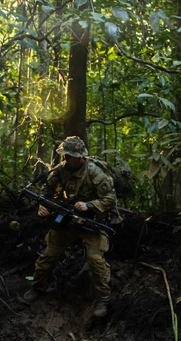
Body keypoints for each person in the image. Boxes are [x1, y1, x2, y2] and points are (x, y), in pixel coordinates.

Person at [24, 136, 117, 318]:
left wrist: (89, 205)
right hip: (68, 219)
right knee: (49, 254)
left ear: (80, 156)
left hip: (91, 223)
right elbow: (46, 191)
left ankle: (102, 299)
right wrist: (43, 205)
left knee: (95, 259)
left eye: (69, 156)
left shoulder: (95, 173)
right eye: (65, 155)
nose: (65, 159)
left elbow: (110, 200)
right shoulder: (61, 170)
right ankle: (38, 287)